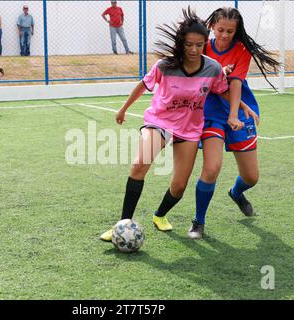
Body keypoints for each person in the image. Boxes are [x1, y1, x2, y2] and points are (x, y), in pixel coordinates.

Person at [100, 8, 253, 242]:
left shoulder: (212, 68)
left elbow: (223, 91)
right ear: (181, 43)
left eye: (199, 45)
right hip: (159, 121)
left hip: (190, 129)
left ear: (204, 44)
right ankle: (121, 225)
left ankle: (159, 215)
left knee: (179, 186)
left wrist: (241, 107)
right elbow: (143, 85)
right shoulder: (165, 65)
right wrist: (123, 109)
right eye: (189, 44)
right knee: (140, 165)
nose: (194, 50)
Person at [190, 7, 280, 240]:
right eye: (220, 29)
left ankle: (236, 193)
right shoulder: (203, 48)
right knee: (212, 168)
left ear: (236, 30)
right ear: (212, 27)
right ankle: (198, 222)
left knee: (251, 177)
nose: (224, 35)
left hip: (238, 107)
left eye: (230, 31)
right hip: (210, 111)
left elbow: (236, 84)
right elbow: (207, 83)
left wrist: (234, 115)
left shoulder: (241, 50)